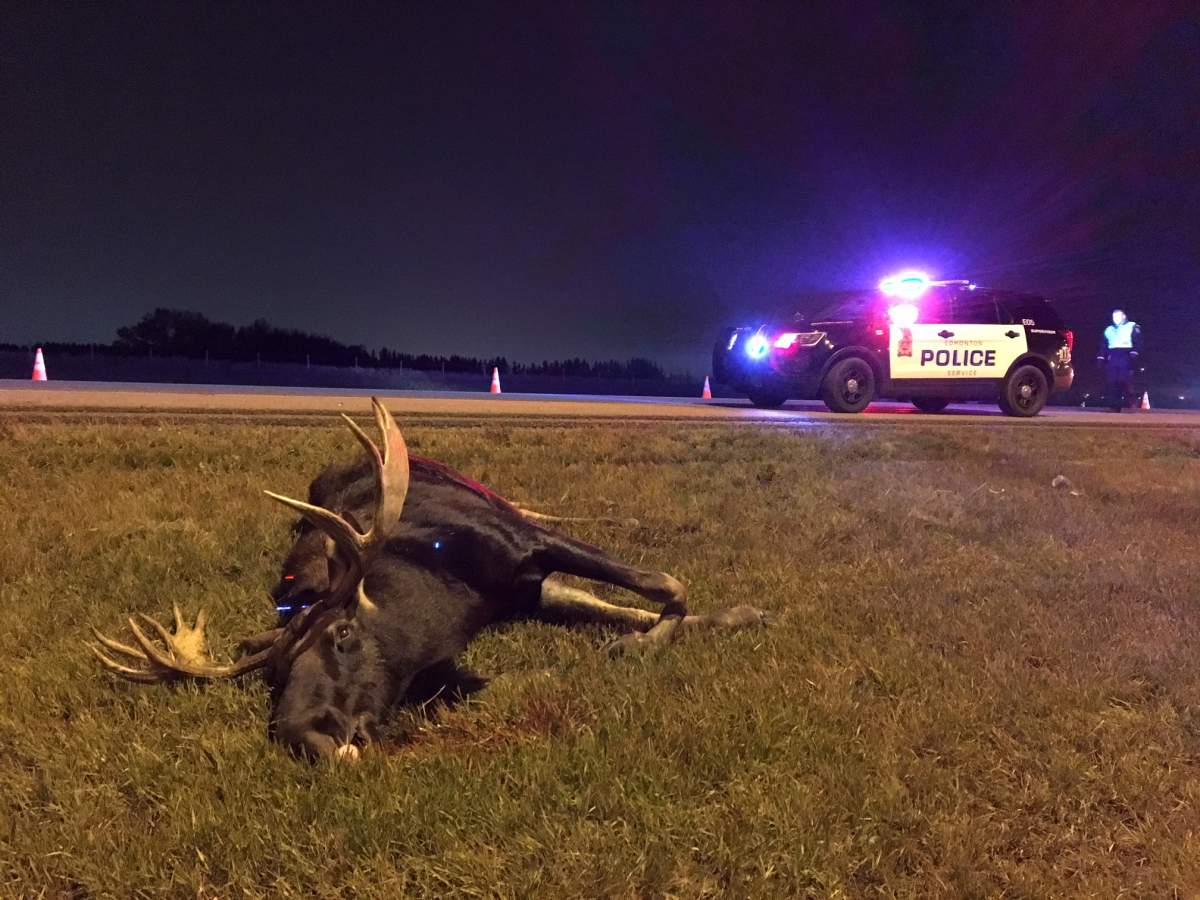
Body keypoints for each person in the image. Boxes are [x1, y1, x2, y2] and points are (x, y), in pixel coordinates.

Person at [1096, 309, 1142, 411]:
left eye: (1118, 316)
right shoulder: (1109, 329)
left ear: (1124, 317)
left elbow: (1137, 341)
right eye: (1114, 317)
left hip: (1126, 355)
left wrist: (1134, 353)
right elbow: (1104, 344)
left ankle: (1131, 399)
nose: (1115, 319)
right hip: (1113, 356)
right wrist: (1101, 357)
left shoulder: (1132, 326)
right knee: (1113, 382)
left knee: (1124, 381)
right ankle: (1115, 406)